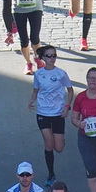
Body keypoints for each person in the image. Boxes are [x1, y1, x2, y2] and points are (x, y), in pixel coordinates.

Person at [29, 44, 74, 182]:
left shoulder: (61, 73)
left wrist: (67, 106)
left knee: (58, 148)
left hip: (58, 113)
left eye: (54, 55)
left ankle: (60, 141)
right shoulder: (38, 74)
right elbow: (36, 91)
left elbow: (70, 90)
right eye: (49, 56)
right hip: (43, 113)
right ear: (43, 58)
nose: (52, 58)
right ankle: (51, 174)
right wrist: (31, 101)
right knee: (49, 144)